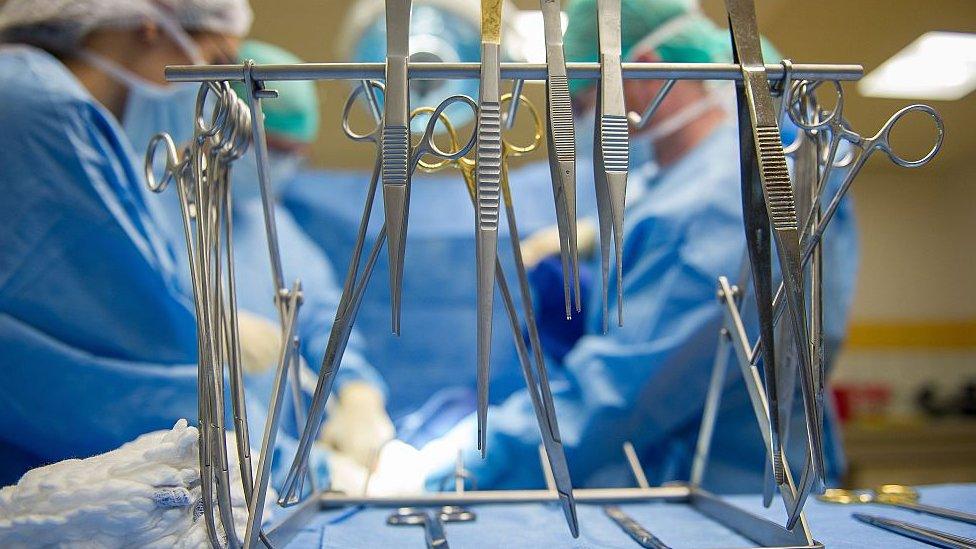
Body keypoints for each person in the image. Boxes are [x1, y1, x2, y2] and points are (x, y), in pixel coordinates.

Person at [410, 0, 859, 493]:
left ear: (643, 72)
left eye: (582, 105)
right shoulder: (684, 182)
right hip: (706, 487)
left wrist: (463, 462)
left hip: (731, 502)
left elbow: (620, 396)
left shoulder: (717, 202)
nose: (581, 125)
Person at [0, 1, 383, 488]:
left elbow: (325, 317)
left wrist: (357, 393)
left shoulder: (41, 103)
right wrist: (296, 469)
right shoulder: (47, 115)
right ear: (148, 26)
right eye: (215, 62)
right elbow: (132, 358)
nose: (208, 87)